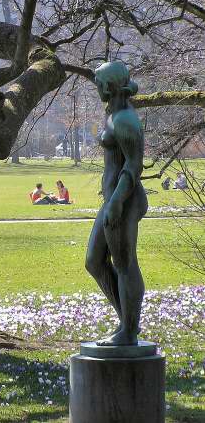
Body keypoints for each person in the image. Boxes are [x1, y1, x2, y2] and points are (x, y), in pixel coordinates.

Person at [85, 61, 148, 346]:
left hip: (123, 201)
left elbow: (134, 166)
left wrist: (116, 203)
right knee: (94, 261)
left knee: (124, 264)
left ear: (110, 85)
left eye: (100, 83)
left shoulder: (124, 120)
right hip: (112, 199)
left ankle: (128, 331)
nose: (97, 87)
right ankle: (127, 321)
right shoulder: (113, 115)